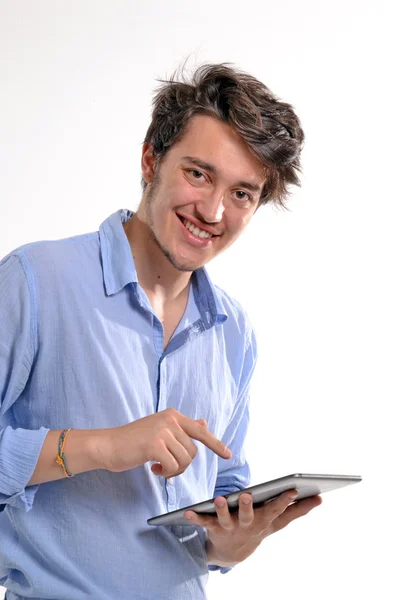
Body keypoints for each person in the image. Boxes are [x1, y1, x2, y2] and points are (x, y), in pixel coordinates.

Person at [0, 63, 321, 600]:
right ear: (151, 159)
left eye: (242, 194)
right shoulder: (35, 282)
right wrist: (104, 446)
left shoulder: (233, 332)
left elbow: (222, 492)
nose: (213, 210)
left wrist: (231, 546)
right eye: (199, 174)